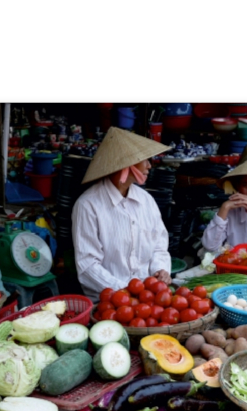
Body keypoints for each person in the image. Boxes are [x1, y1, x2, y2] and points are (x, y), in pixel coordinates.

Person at [72, 127, 172, 301]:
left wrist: (161, 270)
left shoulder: (146, 200)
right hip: (109, 299)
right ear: (126, 165)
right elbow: (87, 265)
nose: (149, 165)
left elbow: (159, 246)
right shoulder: (88, 205)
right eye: (144, 160)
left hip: (149, 296)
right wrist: (125, 291)